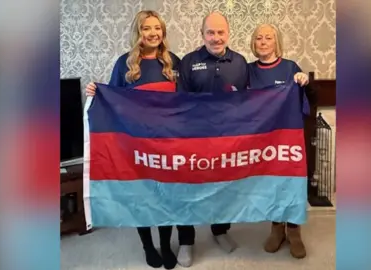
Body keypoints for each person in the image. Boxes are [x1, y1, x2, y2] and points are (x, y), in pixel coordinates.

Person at [85, 10, 182, 269]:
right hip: (136, 143)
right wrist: (97, 90)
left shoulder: (173, 62)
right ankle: (148, 246)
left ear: (163, 31)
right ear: (138, 33)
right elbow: (112, 99)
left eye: (157, 28)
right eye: (146, 29)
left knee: (166, 196)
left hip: (167, 142)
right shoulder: (124, 64)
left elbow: (186, 104)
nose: (153, 33)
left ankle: (164, 244)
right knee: (141, 197)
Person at [176, 11, 248, 256]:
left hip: (227, 139)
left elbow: (249, 100)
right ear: (202, 34)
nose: (216, 38)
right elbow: (179, 101)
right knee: (187, 189)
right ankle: (186, 240)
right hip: (193, 137)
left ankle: (220, 230)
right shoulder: (188, 61)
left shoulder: (240, 62)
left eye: (220, 32)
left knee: (223, 188)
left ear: (228, 34)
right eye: (210, 32)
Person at [248, 23, 316, 259]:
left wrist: (304, 81)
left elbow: (309, 100)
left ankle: (294, 231)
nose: (264, 41)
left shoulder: (290, 68)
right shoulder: (248, 70)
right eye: (259, 38)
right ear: (253, 43)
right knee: (271, 184)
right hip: (261, 139)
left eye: (268, 37)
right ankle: (277, 228)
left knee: (291, 181)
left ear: (277, 42)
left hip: (288, 138)